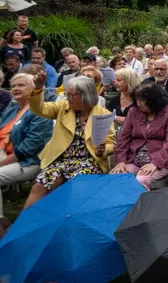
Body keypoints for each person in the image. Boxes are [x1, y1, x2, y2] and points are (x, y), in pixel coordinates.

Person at [24, 75, 116, 209]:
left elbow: (111, 144)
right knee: (40, 186)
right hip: (60, 159)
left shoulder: (103, 114)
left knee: (75, 189)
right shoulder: (63, 107)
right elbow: (40, 109)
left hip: (88, 161)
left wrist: (103, 150)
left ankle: (65, 224)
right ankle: (22, 226)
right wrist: (38, 90)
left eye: (72, 95)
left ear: (85, 95)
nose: (68, 97)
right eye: (67, 94)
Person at [0, 74, 53, 237]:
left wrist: (1, 164)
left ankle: (1, 224)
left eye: (21, 85)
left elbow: (29, 148)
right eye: (14, 85)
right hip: (4, 153)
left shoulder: (39, 111)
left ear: (33, 89)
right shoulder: (12, 108)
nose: (16, 88)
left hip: (29, 161)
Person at [110, 83, 168, 190]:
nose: (138, 104)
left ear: (153, 100)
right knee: (116, 176)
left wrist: (155, 164)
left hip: (159, 161)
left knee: (141, 180)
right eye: (136, 100)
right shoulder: (133, 111)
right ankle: (119, 206)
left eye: (141, 100)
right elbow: (123, 138)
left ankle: (139, 206)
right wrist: (121, 162)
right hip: (133, 160)